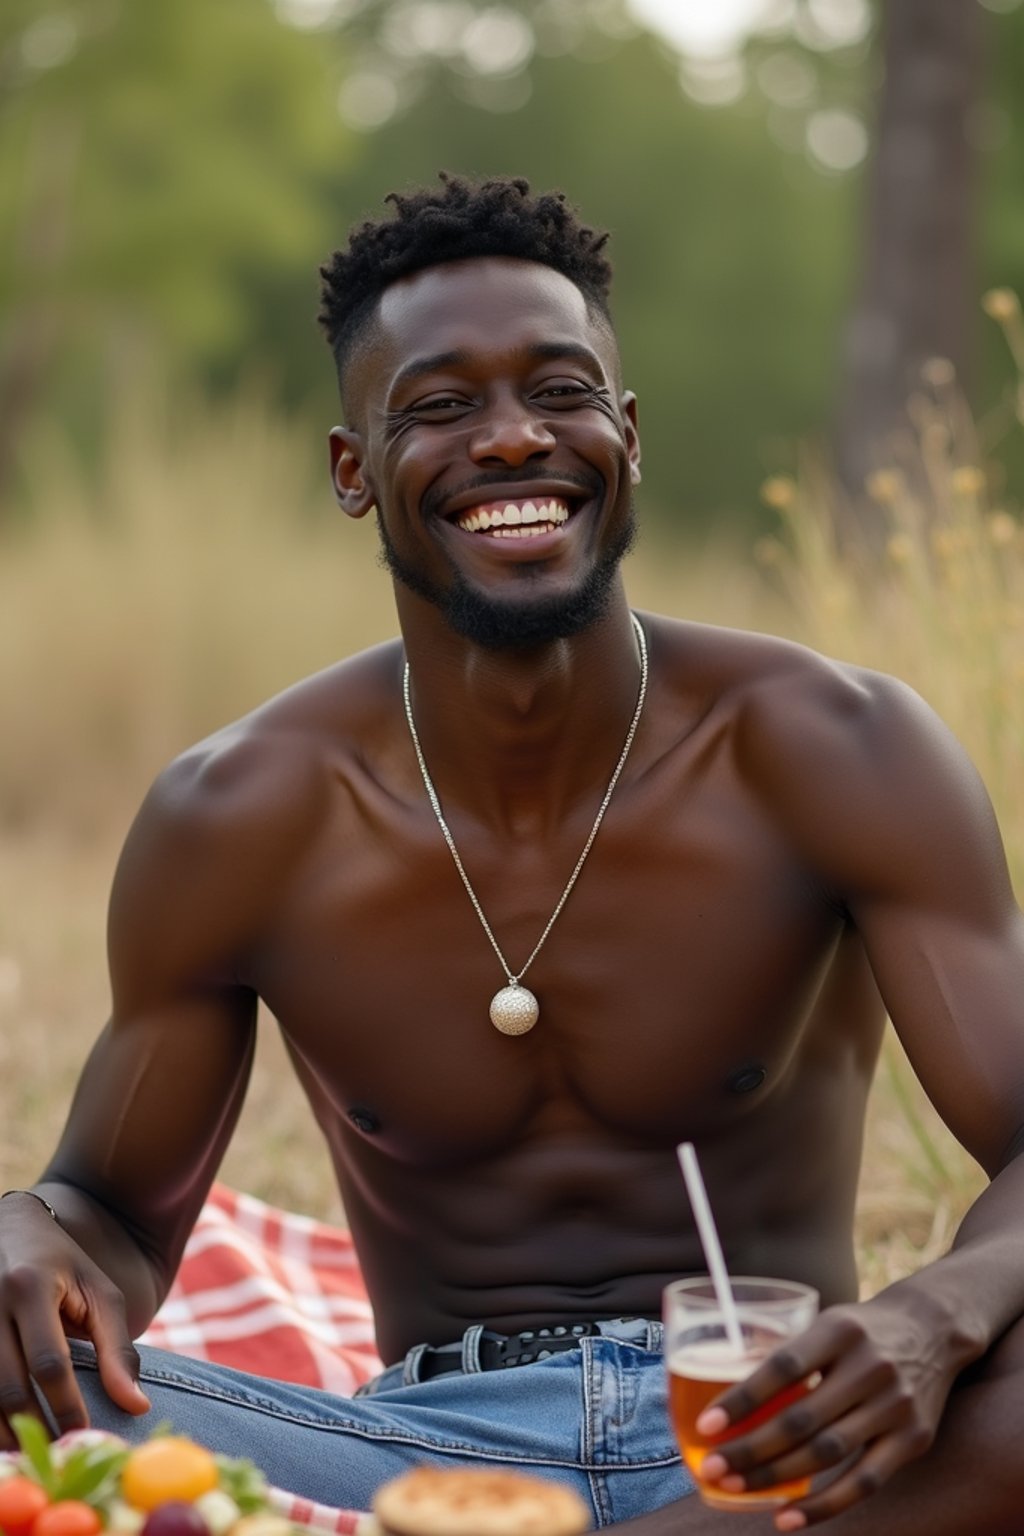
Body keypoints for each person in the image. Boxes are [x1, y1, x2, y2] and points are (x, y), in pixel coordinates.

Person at [1, 174, 1023, 1536]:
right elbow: (112, 1215)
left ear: (629, 435)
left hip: (778, 1445)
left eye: (560, 391)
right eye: (439, 407)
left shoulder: (836, 747)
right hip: (407, 1460)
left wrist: (933, 1316)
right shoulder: (239, 814)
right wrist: (34, 1232)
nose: (512, 440)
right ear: (354, 471)